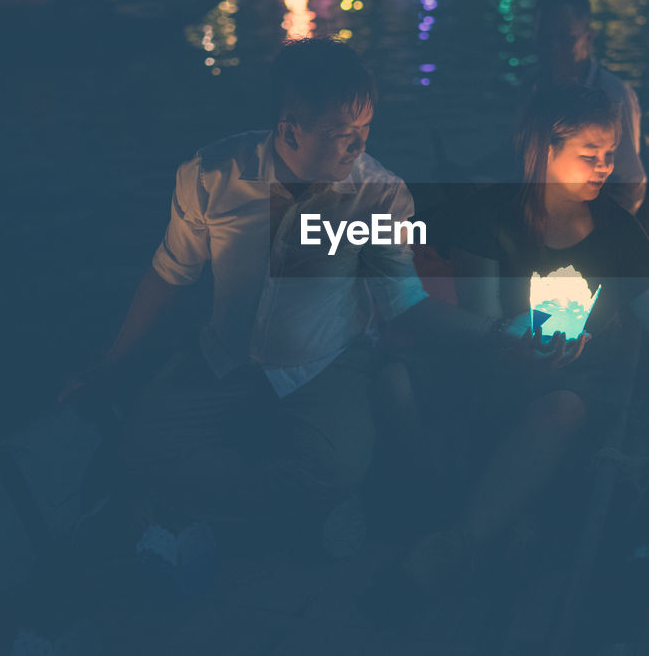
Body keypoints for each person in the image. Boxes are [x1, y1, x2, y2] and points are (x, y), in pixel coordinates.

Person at [63, 38, 560, 552]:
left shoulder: (380, 196)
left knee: (336, 469)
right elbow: (170, 273)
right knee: (135, 449)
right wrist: (114, 361)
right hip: (224, 357)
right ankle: (271, 510)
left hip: (325, 363)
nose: (359, 147)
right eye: (343, 135)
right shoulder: (210, 176)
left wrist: (502, 333)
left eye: (365, 130)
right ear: (289, 131)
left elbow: (403, 302)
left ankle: (214, 507)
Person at [400, 86, 649, 591]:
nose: (604, 168)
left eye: (609, 155)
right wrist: (520, 348)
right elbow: (481, 322)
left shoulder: (619, 235)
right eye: (589, 156)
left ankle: (458, 544)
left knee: (564, 406)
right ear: (544, 149)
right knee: (406, 386)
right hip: (494, 371)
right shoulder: (489, 218)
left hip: (580, 389)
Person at [530, 0, 646, 214]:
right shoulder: (533, 85)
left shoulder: (613, 95)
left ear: (589, 38)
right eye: (546, 39)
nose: (554, 49)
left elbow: (630, 184)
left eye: (566, 39)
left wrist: (602, 233)